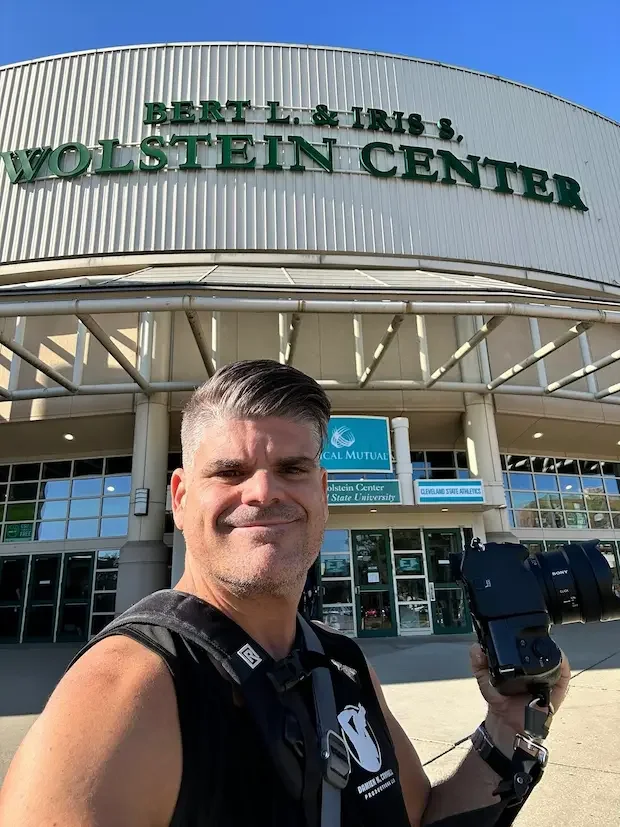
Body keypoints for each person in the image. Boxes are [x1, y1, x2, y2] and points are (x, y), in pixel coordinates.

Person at [0, 360, 570, 827]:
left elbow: (423, 817)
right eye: (229, 471)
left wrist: (512, 721)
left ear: (322, 493)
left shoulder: (341, 664)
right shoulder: (125, 693)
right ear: (178, 497)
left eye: (292, 468)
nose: (263, 492)